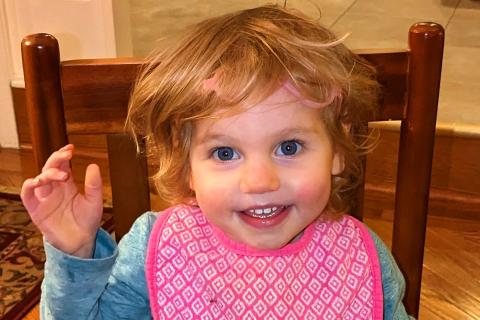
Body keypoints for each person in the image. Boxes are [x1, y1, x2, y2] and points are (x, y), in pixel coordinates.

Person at [21, 5, 412, 319]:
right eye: (225, 153)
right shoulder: (156, 249)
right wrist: (75, 253)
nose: (259, 181)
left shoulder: (362, 258)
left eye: (289, 147)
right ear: (188, 166)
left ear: (337, 152)